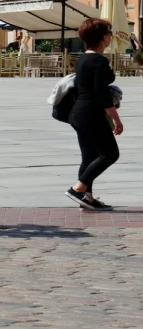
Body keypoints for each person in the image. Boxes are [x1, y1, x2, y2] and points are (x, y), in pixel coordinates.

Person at [65, 17, 123, 210]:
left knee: (89, 157)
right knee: (110, 154)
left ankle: (87, 198)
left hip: (79, 113)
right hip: (91, 114)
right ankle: (77, 189)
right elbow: (100, 94)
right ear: (103, 37)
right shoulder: (98, 61)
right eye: (109, 33)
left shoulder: (83, 59)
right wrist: (116, 119)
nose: (110, 37)